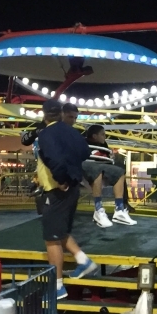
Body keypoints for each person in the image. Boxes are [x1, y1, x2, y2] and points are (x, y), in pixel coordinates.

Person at [32, 98, 99, 298]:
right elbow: (85, 151)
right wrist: (72, 172)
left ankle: (58, 286)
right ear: (61, 113)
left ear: (44, 115)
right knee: (60, 231)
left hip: (57, 189)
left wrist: (62, 178)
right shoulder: (71, 131)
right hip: (72, 187)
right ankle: (83, 260)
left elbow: (55, 160)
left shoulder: (46, 134)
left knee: (51, 239)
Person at [82, 124, 137, 227]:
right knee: (97, 169)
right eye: (102, 134)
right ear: (94, 136)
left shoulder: (104, 145)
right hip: (87, 167)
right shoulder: (83, 143)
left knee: (119, 171)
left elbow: (107, 159)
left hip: (101, 166)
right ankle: (98, 209)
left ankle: (120, 209)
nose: (105, 137)